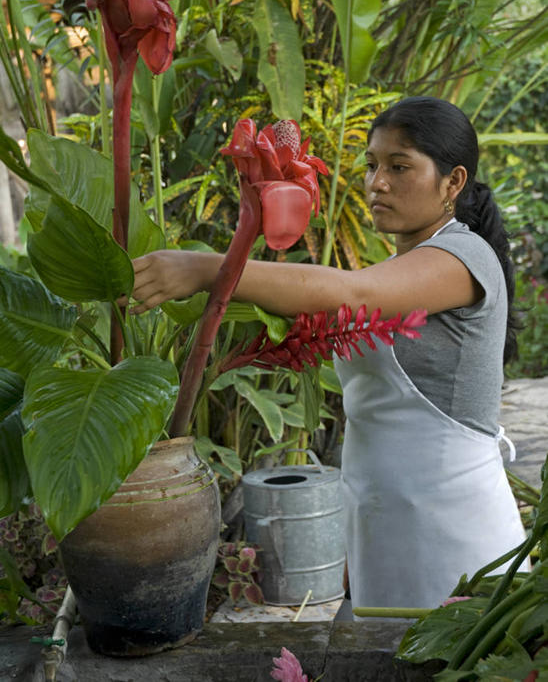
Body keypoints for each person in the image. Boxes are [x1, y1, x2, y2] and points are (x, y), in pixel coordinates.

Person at [130, 96, 527, 614]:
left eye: (399, 167)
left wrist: (208, 268)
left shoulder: (464, 256)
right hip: (384, 522)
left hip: (452, 529)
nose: (376, 182)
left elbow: (351, 293)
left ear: (453, 182)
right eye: (372, 165)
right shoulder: (407, 263)